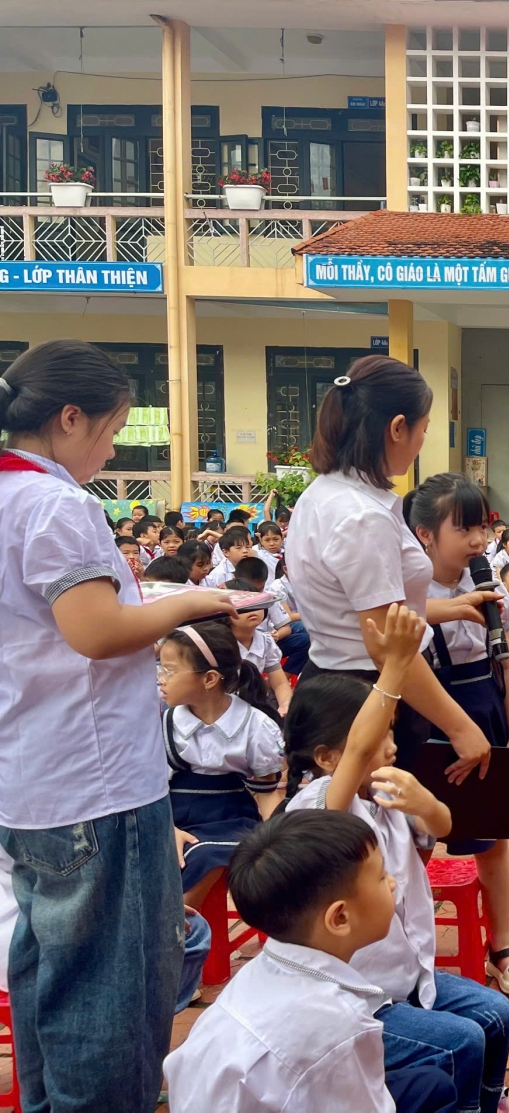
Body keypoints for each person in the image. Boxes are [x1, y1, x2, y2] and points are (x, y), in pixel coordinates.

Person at [0, 339, 235, 1112]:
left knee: (50, 977)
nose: (109, 451)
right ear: (70, 417)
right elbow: (96, 631)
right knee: (114, 997)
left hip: (32, 781)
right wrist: (190, 603)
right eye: (111, 431)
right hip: (96, 788)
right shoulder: (56, 503)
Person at [284, 605, 509, 1112]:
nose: (390, 747)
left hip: (409, 978)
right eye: (377, 738)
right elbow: (353, 761)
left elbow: (444, 827)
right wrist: (393, 667)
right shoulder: (318, 808)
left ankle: (485, 1101)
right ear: (326, 758)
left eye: (392, 731)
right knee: (461, 1042)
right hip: (352, 999)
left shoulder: (387, 792)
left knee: (496, 1015)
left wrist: (427, 804)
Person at [163, 809, 463, 1113]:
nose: (393, 883)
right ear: (340, 917)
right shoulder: (339, 1023)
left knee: (430, 1085)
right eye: (381, 876)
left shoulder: (261, 972)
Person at [284, 354, 491, 784]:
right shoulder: (362, 515)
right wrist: (460, 727)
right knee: (380, 821)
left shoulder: (324, 494)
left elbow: (360, 609)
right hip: (371, 690)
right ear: (398, 428)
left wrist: (449, 608)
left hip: (339, 679)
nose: (421, 442)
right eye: (423, 429)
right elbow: (385, 643)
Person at [405, 473, 509, 996]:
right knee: (414, 840)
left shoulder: (486, 586)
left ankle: (502, 947)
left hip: (486, 711)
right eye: (463, 529)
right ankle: (407, 954)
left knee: (493, 840)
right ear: (425, 534)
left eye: (481, 527)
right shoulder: (407, 593)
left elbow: (507, 666)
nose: (478, 540)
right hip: (426, 721)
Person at [159, 620, 284, 909]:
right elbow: (151, 788)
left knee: (206, 855)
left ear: (210, 679)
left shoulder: (255, 726)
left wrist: (279, 841)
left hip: (230, 817)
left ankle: (177, 924)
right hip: (171, 813)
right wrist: (167, 828)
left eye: (170, 671)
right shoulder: (163, 723)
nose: (161, 679)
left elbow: (267, 794)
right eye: (160, 669)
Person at [226, 578, 295, 714]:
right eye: (243, 607)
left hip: (255, 702)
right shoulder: (217, 642)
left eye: (256, 604)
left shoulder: (265, 641)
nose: (252, 611)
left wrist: (285, 705)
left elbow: (280, 683)